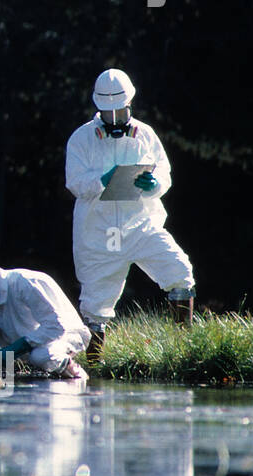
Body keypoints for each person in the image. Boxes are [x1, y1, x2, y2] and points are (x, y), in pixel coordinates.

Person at [65, 69, 195, 356]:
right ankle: (94, 370)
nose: (114, 119)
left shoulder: (146, 134)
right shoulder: (81, 139)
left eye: (119, 112)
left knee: (179, 271)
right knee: (95, 308)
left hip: (140, 225)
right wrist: (103, 178)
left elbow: (164, 172)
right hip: (98, 234)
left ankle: (185, 352)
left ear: (130, 104)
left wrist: (155, 183)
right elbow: (74, 182)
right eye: (108, 114)